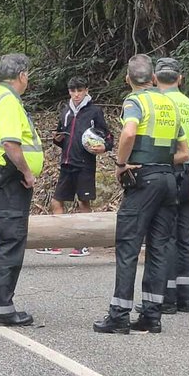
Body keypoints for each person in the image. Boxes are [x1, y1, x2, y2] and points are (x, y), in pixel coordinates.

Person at [94, 54, 189, 335]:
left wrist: (122, 164)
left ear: (127, 79)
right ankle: (152, 315)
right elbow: (185, 153)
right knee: (159, 248)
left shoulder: (134, 101)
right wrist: (160, 162)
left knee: (128, 246)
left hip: (143, 181)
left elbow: (128, 133)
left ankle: (119, 315)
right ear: (154, 78)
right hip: (168, 180)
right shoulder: (170, 105)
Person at [0, 54, 44, 326]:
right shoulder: (7, 101)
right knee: (11, 242)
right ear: (23, 75)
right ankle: (2, 307)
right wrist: (27, 172)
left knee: (3, 241)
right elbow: (11, 144)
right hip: (8, 180)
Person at [37, 76, 113, 257]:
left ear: (86, 90)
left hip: (85, 164)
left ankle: (83, 244)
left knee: (83, 202)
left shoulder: (94, 111)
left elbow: (108, 137)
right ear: (69, 92)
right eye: (73, 91)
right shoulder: (66, 111)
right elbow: (60, 136)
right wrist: (58, 140)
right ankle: (57, 242)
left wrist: (104, 147)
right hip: (66, 163)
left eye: (80, 90)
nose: (76, 94)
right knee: (56, 202)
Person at [150, 57, 189, 313]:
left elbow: (159, 144)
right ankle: (187, 298)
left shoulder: (158, 104)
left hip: (168, 170)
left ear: (155, 78)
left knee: (165, 234)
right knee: (185, 235)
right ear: (180, 78)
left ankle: (166, 298)